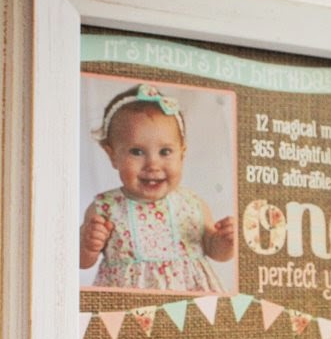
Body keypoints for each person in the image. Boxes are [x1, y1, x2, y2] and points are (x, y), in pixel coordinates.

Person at [80, 83, 234, 292]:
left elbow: (215, 251)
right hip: (129, 305)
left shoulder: (192, 204)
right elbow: (82, 262)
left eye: (165, 152)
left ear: (182, 153)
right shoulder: (105, 208)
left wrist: (224, 242)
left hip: (188, 302)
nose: (153, 164)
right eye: (136, 152)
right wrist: (88, 244)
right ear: (112, 155)